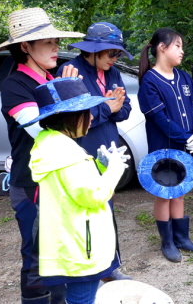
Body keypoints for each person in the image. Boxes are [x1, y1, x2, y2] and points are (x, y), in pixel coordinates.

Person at [0, 7, 83, 304]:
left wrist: (66, 88)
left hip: (61, 179)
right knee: (37, 256)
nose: (56, 47)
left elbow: (79, 129)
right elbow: (43, 132)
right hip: (32, 183)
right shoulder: (15, 86)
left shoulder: (50, 77)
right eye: (47, 41)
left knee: (59, 251)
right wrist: (67, 91)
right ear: (25, 47)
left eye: (56, 40)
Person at [22, 77, 129, 304]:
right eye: (86, 112)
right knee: (81, 299)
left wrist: (99, 166)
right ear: (69, 116)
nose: (91, 118)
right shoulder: (68, 155)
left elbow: (71, 186)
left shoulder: (49, 143)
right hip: (82, 249)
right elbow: (94, 195)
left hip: (69, 241)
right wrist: (114, 170)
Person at [58, 22, 133, 280]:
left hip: (108, 150)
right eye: (111, 53)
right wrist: (107, 108)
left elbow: (125, 110)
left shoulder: (111, 72)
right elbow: (76, 120)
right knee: (86, 213)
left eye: (118, 54)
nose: (115, 59)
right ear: (92, 50)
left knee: (106, 210)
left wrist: (111, 108)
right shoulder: (71, 71)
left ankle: (110, 268)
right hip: (83, 152)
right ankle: (89, 273)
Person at [138, 28, 193, 262]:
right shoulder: (149, 81)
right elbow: (160, 119)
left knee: (180, 192)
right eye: (177, 45)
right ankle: (167, 243)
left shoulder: (184, 76)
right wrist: (186, 138)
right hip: (164, 149)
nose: (182, 50)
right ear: (162, 48)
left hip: (187, 145)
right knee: (164, 193)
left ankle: (182, 238)